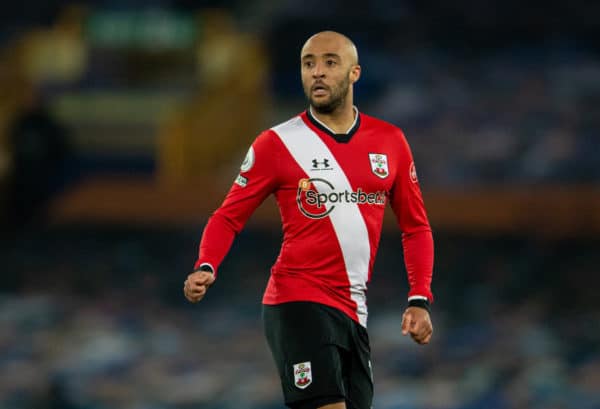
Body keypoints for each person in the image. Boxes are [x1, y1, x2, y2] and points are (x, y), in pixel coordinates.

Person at [184, 31, 434, 409]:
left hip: (353, 308)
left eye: (330, 63)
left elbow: (415, 226)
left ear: (354, 73)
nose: (317, 72)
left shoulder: (390, 141)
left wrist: (420, 299)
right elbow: (228, 215)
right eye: (308, 64)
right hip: (296, 299)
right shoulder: (276, 143)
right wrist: (206, 264)